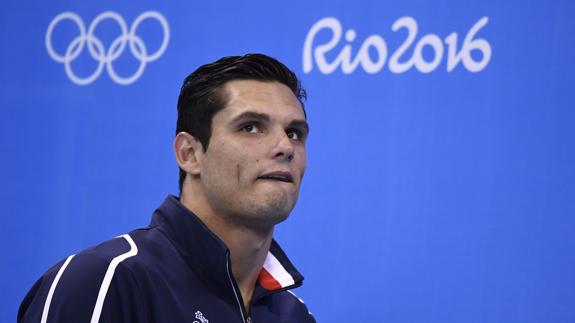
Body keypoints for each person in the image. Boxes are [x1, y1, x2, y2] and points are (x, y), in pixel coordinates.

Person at [18, 54, 315, 323]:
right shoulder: (104, 281)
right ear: (189, 154)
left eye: (294, 132)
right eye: (250, 126)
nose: (285, 146)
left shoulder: (295, 315)